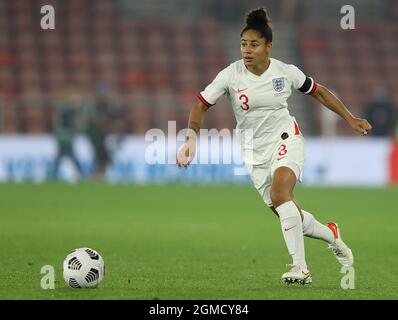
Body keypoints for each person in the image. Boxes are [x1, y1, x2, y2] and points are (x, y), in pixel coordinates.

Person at [176, 8, 372, 285]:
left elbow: (319, 91)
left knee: (282, 194)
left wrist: (350, 118)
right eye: (243, 44)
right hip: (254, 153)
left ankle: (300, 269)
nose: (247, 50)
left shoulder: (285, 72)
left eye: (254, 44)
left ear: (268, 46)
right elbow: (200, 105)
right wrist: (191, 140)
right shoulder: (230, 75)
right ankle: (332, 234)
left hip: (285, 139)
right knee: (288, 212)